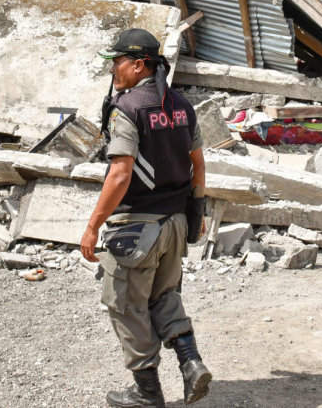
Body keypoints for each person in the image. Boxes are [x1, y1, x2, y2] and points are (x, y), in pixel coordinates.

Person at [80, 28, 211, 407]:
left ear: (139, 65)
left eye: (117, 62)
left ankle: (147, 393)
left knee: (126, 306)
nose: (112, 70)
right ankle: (191, 363)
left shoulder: (128, 108)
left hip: (138, 230)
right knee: (164, 296)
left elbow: (120, 175)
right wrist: (196, 214)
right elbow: (198, 166)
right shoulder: (183, 106)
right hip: (174, 224)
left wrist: (92, 227)